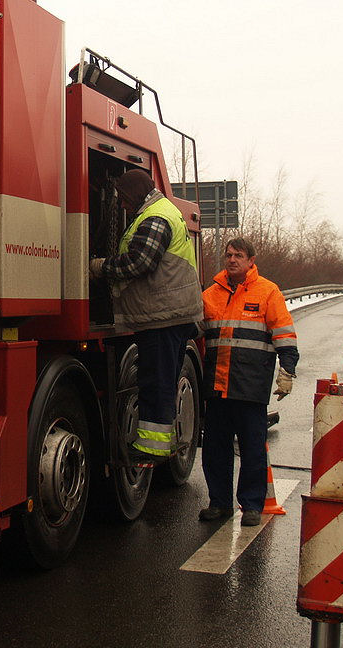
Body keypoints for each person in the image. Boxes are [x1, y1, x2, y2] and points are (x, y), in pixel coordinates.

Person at [89, 169, 203, 466]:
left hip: (163, 317)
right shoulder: (164, 211)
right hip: (170, 316)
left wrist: (101, 267)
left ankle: (153, 449)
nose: (123, 206)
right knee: (161, 380)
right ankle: (158, 445)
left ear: (137, 194)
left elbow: (140, 261)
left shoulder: (155, 217)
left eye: (125, 199)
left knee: (157, 382)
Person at [199, 238, 298, 527]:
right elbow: (196, 332)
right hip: (217, 388)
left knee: (253, 450)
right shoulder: (211, 294)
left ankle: (252, 505)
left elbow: (285, 335)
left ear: (251, 260)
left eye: (238, 255)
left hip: (250, 388)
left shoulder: (268, 292)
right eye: (228, 255)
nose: (232, 260)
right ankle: (219, 503)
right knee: (215, 451)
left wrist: (287, 370)